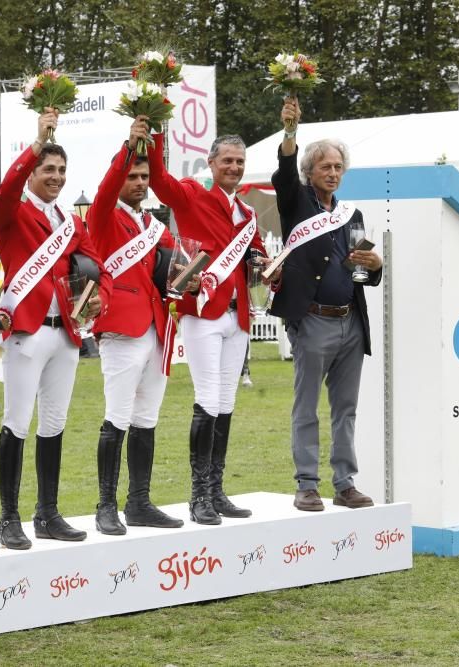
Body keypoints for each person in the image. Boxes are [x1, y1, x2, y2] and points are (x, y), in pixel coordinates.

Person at [0, 109, 112, 549]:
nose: (56, 176)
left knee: (54, 423)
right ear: (33, 171)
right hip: (28, 331)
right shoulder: (13, 213)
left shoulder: (71, 222)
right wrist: (36, 144)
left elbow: (98, 266)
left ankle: (47, 513)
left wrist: (100, 299)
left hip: (66, 333)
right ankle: (8, 518)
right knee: (17, 422)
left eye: (62, 170)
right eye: (48, 168)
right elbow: (3, 190)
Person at [147, 130, 267, 525]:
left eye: (239, 162)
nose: (233, 167)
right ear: (211, 164)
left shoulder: (247, 215)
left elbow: (258, 259)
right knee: (208, 398)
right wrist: (155, 135)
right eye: (227, 161)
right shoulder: (193, 195)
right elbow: (161, 182)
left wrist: (270, 271)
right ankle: (199, 495)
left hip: (240, 315)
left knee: (227, 402)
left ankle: (216, 490)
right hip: (203, 312)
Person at [270, 97, 383, 512]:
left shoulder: (351, 214)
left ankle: (345, 482)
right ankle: (307, 484)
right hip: (312, 321)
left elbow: (358, 271)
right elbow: (284, 172)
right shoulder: (296, 201)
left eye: (338, 167)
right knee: (307, 408)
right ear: (310, 172)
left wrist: (374, 265)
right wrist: (289, 132)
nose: (333, 173)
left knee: (346, 409)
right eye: (325, 167)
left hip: (350, 322)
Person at [88, 117, 183, 535]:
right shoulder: (104, 215)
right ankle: (106, 505)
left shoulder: (153, 226)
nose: (141, 182)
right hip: (122, 329)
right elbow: (107, 190)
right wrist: (129, 147)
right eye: (133, 175)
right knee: (118, 416)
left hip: (156, 329)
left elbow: (171, 269)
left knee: (147, 417)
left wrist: (188, 276)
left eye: (145, 175)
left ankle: (139, 502)